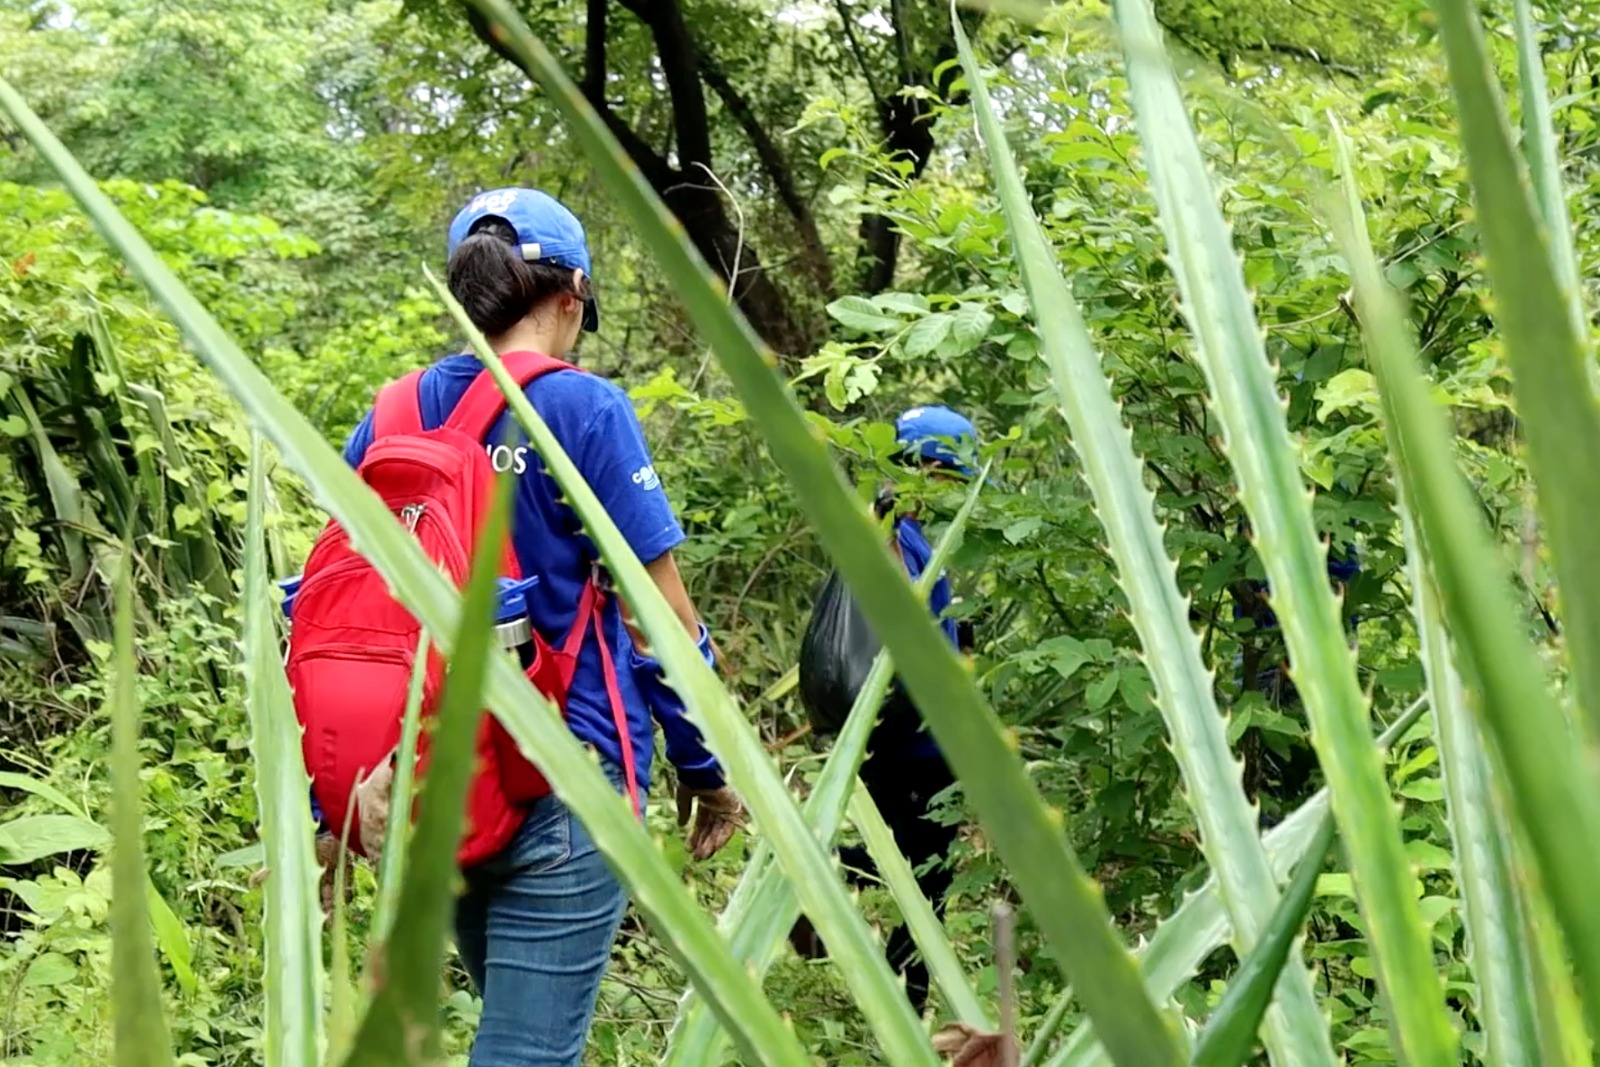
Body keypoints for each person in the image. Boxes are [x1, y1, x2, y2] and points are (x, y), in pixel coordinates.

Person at [336, 187, 744, 1067]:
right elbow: (661, 619)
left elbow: (342, 605)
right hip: (563, 778)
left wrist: (329, 798)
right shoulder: (586, 409)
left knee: (517, 1036)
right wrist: (708, 768)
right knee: (527, 1052)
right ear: (575, 295)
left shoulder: (393, 414)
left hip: (431, 781)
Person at [791, 404, 980, 1016]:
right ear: (928, 467)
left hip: (888, 736)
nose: (956, 490)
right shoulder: (900, 533)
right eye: (952, 476)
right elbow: (910, 631)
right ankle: (910, 1012)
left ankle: (816, 878)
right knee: (926, 883)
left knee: (896, 858)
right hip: (918, 741)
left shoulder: (883, 525)